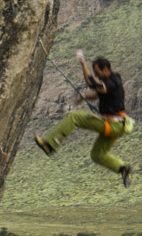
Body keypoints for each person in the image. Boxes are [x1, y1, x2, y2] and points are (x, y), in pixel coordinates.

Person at [35, 51, 134, 188]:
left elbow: (95, 85)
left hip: (113, 125)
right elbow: (96, 93)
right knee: (97, 155)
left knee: (75, 117)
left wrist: (83, 63)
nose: (96, 75)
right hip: (116, 127)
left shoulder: (113, 81)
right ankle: (123, 169)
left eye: (97, 72)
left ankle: (50, 144)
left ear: (105, 69)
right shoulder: (110, 82)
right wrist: (83, 97)